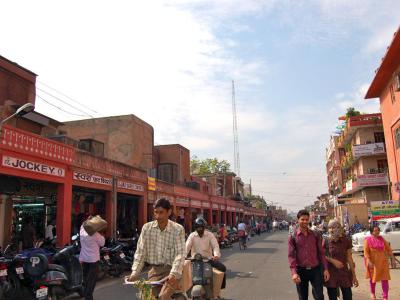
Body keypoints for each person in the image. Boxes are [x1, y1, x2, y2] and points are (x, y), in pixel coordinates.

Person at [128, 198, 185, 300]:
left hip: (171, 270)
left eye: (161, 212)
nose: (158, 216)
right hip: (154, 271)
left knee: (163, 297)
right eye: (156, 212)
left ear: (169, 212)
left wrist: (173, 274)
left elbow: (180, 254)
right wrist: (134, 273)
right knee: (144, 296)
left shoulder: (178, 229)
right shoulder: (147, 228)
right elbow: (141, 252)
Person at [288, 210, 330, 300]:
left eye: (307, 219)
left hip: (316, 270)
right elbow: (291, 256)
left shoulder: (316, 234)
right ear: (298, 220)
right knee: (303, 297)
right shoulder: (293, 236)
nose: (305, 222)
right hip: (301, 271)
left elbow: (321, 253)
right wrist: (294, 273)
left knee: (319, 297)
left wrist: (325, 269)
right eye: (302, 219)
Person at [186, 217, 226, 294]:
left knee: (223, 268)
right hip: (195, 261)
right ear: (195, 228)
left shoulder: (210, 235)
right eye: (198, 227)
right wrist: (183, 256)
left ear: (204, 227)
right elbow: (187, 246)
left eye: (201, 227)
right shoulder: (192, 236)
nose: (200, 229)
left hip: (209, 260)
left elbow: (215, 246)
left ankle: (218, 290)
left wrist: (216, 255)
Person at [323, 219, 358, 300]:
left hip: (344, 273)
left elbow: (349, 258)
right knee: (332, 297)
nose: (331, 230)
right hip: (331, 274)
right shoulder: (326, 241)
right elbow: (322, 256)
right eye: (329, 228)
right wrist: (333, 261)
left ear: (339, 228)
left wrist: (354, 276)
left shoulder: (346, 240)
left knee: (348, 296)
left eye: (333, 227)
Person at [364, 225, 394, 300]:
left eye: (378, 230)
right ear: (371, 232)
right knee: (373, 279)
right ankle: (372, 293)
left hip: (383, 262)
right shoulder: (367, 240)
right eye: (375, 230)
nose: (377, 232)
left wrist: (392, 258)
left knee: (385, 279)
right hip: (373, 263)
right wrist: (369, 261)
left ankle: (385, 296)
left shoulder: (382, 239)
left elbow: (389, 249)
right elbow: (366, 252)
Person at [79, 217, 106, 300]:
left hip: (84, 259)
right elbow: (102, 243)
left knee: (86, 279)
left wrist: (86, 221)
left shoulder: (82, 232)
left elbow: (83, 226)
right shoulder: (96, 235)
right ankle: (88, 297)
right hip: (93, 260)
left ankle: (86, 294)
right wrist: (102, 235)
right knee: (91, 281)